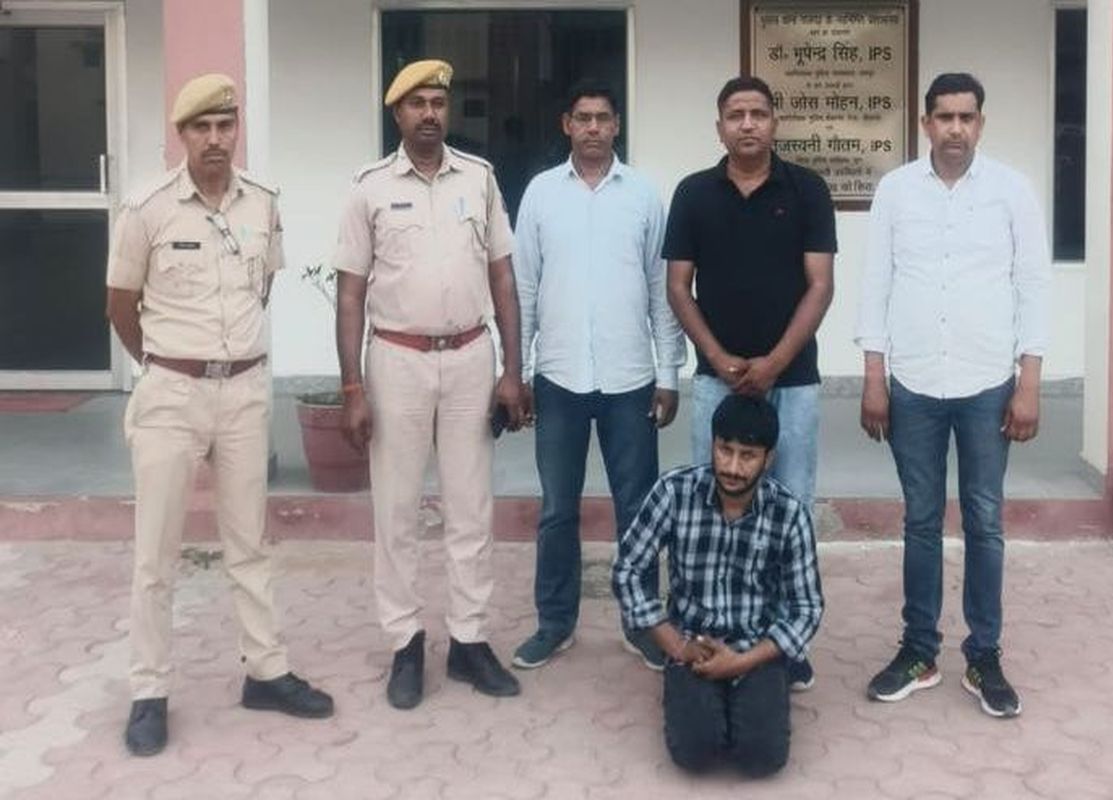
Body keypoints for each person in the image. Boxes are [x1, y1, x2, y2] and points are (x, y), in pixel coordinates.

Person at [106, 73, 334, 757]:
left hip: (243, 393)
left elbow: (262, 287)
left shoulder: (262, 203)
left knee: (250, 541)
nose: (214, 139)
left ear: (237, 130)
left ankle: (265, 671)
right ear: (182, 135)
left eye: (225, 125)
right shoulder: (146, 208)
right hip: (171, 394)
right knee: (156, 552)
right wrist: (168, 364)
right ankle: (149, 690)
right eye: (201, 127)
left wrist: (228, 362)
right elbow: (120, 305)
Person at [856, 72, 1051, 718]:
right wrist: (874, 375)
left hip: (987, 384)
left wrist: (1029, 382)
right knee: (920, 519)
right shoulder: (895, 191)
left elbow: (1033, 286)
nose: (956, 129)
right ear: (926, 124)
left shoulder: (1012, 191)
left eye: (967, 117)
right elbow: (876, 283)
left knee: (984, 521)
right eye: (945, 117)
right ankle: (919, 650)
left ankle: (984, 654)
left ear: (981, 124)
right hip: (913, 384)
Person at [334, 59, 526, 709]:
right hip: (397, 361)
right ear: (397, 113)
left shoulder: (480, 178)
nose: (429, 114)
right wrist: (352, 389)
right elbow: (350, 294)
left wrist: (512, 370)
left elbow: (503, 278)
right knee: (397, 512)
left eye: (438, 102)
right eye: (417, 103)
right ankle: (406, 643)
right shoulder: (368, 188)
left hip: (471, 356)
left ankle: (469, 641)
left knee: (471, 509)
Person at [663, 75, 836, 690]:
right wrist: (717, 356)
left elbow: (821, 286)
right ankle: (703, 632)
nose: (747, 124)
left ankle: (783, 643)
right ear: (720, 128)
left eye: (758, 113)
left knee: (791, 508)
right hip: (718, 381)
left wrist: (774, 364)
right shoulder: (693, 194)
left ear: (774, 123)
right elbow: (678, 287)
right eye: (735, 114)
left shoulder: (807, 190)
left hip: (794, 381)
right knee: (710, 507)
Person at [510, 81, 686, 671]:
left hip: (629, 378)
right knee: (557, 508)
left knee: (637, 509)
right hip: (558, 378)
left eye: (602, 118)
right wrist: (518, 372)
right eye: (582, 117)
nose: (592, 127)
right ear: (567, 124)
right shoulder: (540, 194)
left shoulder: (643, 195)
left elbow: (662, 290)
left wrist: (668, 373)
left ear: (616, 126)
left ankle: (642, 623)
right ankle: (554, 623)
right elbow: (524, 288)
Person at [612, 394, 823, 777]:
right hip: (691, 645)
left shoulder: (789, 513)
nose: (733, 467)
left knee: (762, 759)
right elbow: (627, 569)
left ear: (768, 459)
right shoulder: (674, 492)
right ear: (712, 445)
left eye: (748, 456)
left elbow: (807, 608)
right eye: (725, 450)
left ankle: (765, 684)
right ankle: (702, 694)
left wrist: (742, 661)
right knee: (695, 753)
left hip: (757, 647)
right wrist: (675, 645)